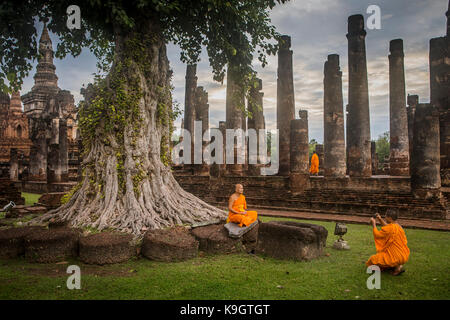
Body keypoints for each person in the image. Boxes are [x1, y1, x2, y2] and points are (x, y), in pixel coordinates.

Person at [366, 209, 410, 276]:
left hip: (395, 257)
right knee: (386, 258)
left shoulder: (390, 228)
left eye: (385, 216)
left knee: (372, 260)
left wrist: (374, 224)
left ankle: (394, 267)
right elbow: (387, 227)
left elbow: (377, 235)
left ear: (389, 218)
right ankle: (397, 266)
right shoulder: (398, 226)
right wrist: (380, 219)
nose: (385, 218)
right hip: (403, 256)